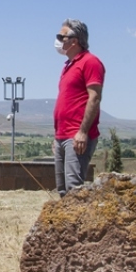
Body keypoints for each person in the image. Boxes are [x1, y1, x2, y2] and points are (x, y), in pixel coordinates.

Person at [53, 18, 105, 196]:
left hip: (76, 136)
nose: (58, 41)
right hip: (62, 136)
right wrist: (56, 137)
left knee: (74, 190)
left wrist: (82, 132)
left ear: (74, 41)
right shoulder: (68, 66)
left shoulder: (90, 62)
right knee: (62, 190)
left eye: (61, 36)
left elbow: (94, 97)